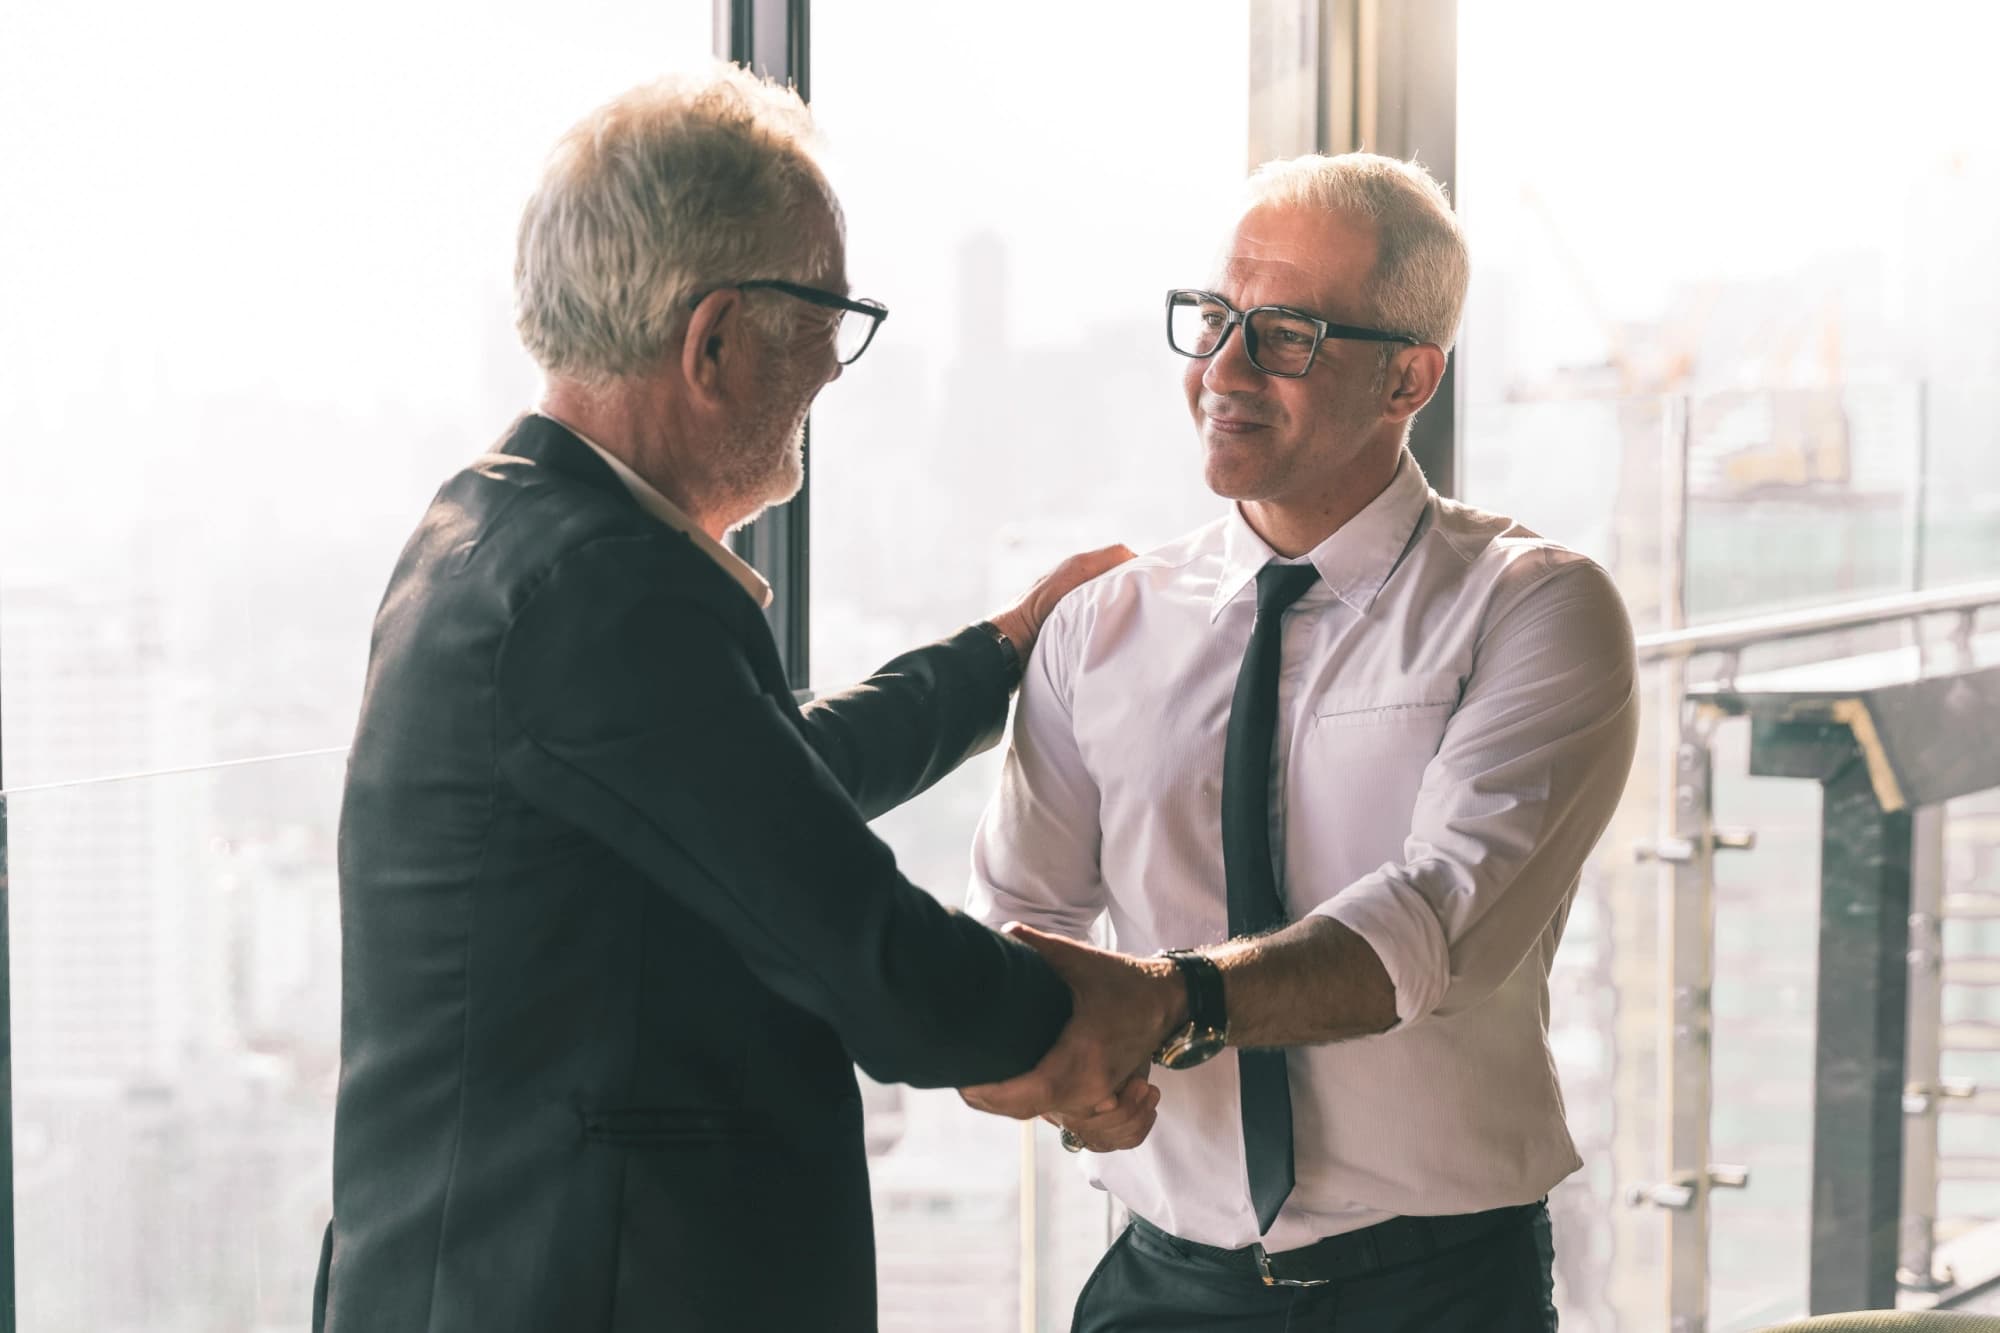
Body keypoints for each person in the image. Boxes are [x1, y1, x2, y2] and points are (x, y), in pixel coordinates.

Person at [313, 66, 1139, 1333]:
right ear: (714, 341)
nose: (834, 366)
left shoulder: (497, 526)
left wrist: (1000, 653)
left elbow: (745, 792)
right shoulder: (603, 588)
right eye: (827, 312)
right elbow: (868, 955)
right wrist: (1120, 1016)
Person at [960, 152, 1640, 1332]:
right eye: (1215, 318)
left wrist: (1165, 1004)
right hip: (1157, 1283)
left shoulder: (1533, 607)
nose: (1221, 367)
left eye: (1283, 334)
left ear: (1407, 377)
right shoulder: (1101, 624)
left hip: (1433, 1291)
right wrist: (1047, 1058)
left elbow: (1430, 924)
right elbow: (1018, 919)